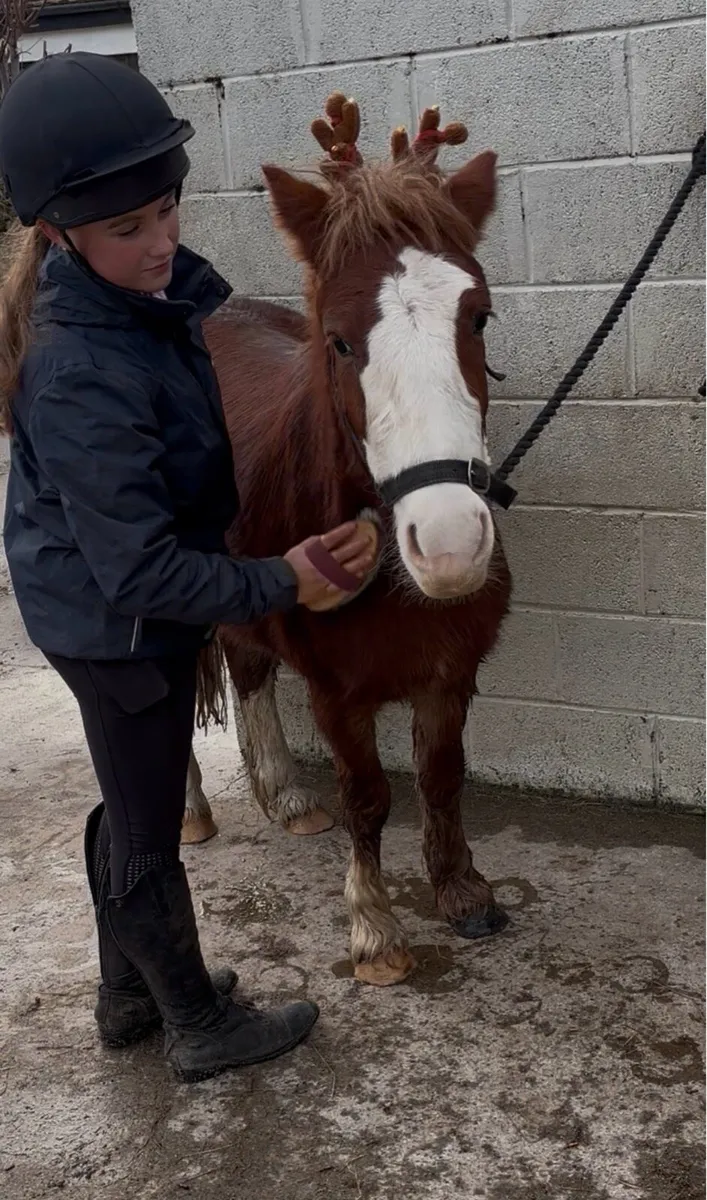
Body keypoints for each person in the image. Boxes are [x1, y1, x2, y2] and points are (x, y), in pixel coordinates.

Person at [0, 52, 377, 1084]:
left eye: (167, 209)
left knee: (132, 809)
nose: (163, 241)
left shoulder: (133, 306)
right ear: (56, 233)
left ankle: (129, 1000)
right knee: (147, 829)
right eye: (128, 228)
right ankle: (197, 1024)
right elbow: (139, 572)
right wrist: (278, 580)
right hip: (116, 628)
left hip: (108, 615)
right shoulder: (82, 367)